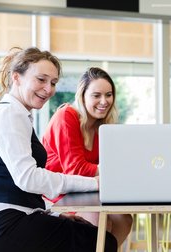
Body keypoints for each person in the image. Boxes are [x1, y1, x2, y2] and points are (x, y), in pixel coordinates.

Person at [0, 47, 117, 252]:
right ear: (17, 78)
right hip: (0, 226)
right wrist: (93, 182)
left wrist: (53, 212)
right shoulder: (8, 114)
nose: (48, 89)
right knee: (100, 242)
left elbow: (22, 187)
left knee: (92, 234)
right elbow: (28, 178)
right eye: (41, 79)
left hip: (9, 220)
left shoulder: (17, 114)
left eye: (53, 83)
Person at [42, 67, 132, 247]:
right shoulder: (66, 116)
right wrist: (112, 171)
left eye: (108, 95)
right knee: (97, 218)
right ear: (82, 96)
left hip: (86, 192)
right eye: (96, 95)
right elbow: (76, 169)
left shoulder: (102, 126)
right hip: (57, 195)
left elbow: (111, 162)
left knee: (123, 219)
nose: (104, 101)